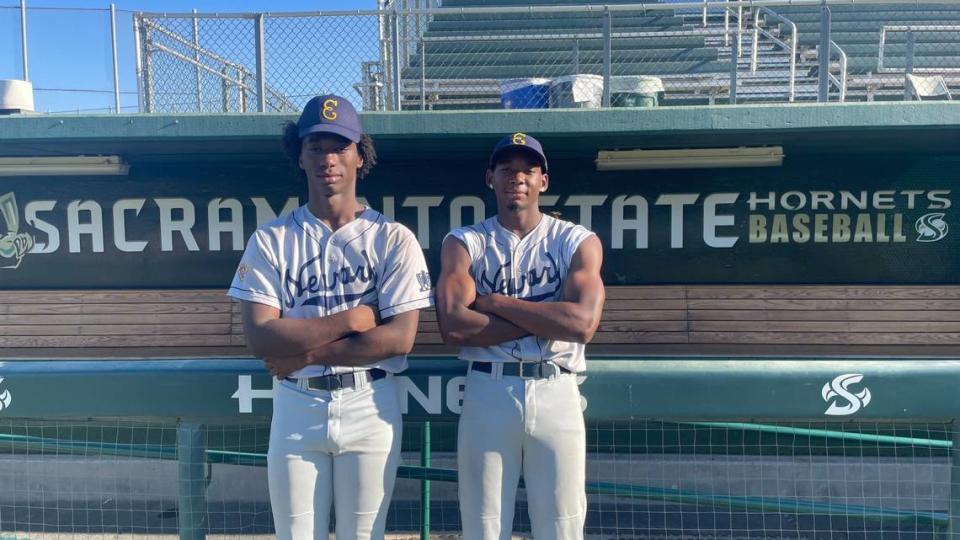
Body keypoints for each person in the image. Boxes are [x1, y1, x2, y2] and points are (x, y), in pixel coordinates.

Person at [227, 94, 433, 540]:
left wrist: (305, 354)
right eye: (315, 146)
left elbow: (399, 339)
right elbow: (261, 336)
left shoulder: (393, 238)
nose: (328, 158)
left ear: (361, 155)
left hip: (370, 402)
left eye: (340, 146)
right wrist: (353, 318)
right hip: (297, 406)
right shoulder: (272, 238)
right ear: (299, 156)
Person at [436, 132, 605, 540]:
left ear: (543, 181)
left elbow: (582, 324)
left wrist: (494, 303)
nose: (517, 177)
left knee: (563, 528)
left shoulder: (576, 240)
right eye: (506, 170)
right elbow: (454, 326)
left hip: (557, 390)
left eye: (528, 169)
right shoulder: (464, 242)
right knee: (483, 527)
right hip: (488, 391)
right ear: (489, 178)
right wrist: (548, 315)